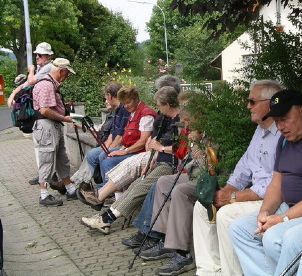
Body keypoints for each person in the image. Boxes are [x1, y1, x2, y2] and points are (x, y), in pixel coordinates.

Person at [229, 89, 302, 276]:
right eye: (277, 121)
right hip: (286, 207)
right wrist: (265, 212)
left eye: (285, 119)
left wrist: (283, 218)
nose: (280, 126)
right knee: (240, 229)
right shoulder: (284, 140)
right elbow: (276, 183)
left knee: (274, 238)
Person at [193, 79, 283, 276]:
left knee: (227, 214)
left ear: (271, 102)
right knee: (203, 206)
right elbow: (243, 168)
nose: (247, 106)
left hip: (274, 200)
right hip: (255, 195)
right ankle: (209, 271)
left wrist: (234, 198)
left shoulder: (283, 133)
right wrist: (226, 190)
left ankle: (231, 273)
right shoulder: (260, 130)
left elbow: (277, 184)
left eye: (252, 101)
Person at [80, 86, 181, 234]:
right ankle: (104, 214)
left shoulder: (179, 122)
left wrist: (160, 149)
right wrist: (154, 155)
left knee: (139, 186)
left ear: (167, 104)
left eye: (159, 105)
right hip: (159, 158)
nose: (158, 108)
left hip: (171, 163)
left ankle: (105, 217)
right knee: (135, 183)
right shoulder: (166, 119)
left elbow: (183, 150)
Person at [133, 105, 207, 276]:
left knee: (179, 191)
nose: (184, 123)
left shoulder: (210, 133)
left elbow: (206, 167)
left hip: (207, 178)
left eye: (187, 120)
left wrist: (194, 143)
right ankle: (164, 238)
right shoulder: (192, 130)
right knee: (163, 182)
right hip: (193, 175)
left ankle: (182, 253)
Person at [8, 42, 54, 185]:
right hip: (38, 111)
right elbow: (27, 83)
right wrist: (14, 93)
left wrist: (31, 70)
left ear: (48, 56)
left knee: (46, 146)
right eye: (36, 55)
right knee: (39, 145)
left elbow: (31, 81)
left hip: (44, 112)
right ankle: (44, 175)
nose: (37, 57)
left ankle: (48, 177)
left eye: (40, 55)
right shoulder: (43, 67)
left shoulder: (48, 68)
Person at [71, 81, 130, 193]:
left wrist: (108, 151)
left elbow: (120, 136)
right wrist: (106, 148)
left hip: (125, 145)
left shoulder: (123, 110)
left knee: (102, 156)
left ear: (109, 95)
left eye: (105, 97)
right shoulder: (116, 110)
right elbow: (112, 134)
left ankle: (104, 191)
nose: (105, 101)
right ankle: (93, 186)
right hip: (110, 142)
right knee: (93, 154)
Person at [32, 58, 76, 206]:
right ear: (60, 70)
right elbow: (44, 110)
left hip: (53, 126)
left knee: (61, 158)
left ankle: (70, 189)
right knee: (47, 159)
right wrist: (64, 118)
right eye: (67, 73)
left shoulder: (50, 83)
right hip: (47, 126)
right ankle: (43, 195)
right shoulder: (46, 84)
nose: (67, 76)